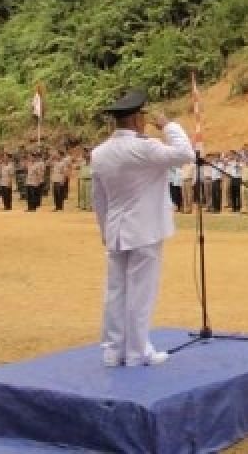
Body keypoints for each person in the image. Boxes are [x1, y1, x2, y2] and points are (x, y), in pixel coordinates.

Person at [90, 88, 195, 367]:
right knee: (141, 291)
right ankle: (138, 352)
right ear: (137, 119)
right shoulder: (144, 147)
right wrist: (168, 125)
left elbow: (98, 199)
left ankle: (113, 351)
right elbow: (185, 153)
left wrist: (105, 230)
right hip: (145, 230)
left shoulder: (99, 153)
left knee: (115, 291)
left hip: (116, 230)